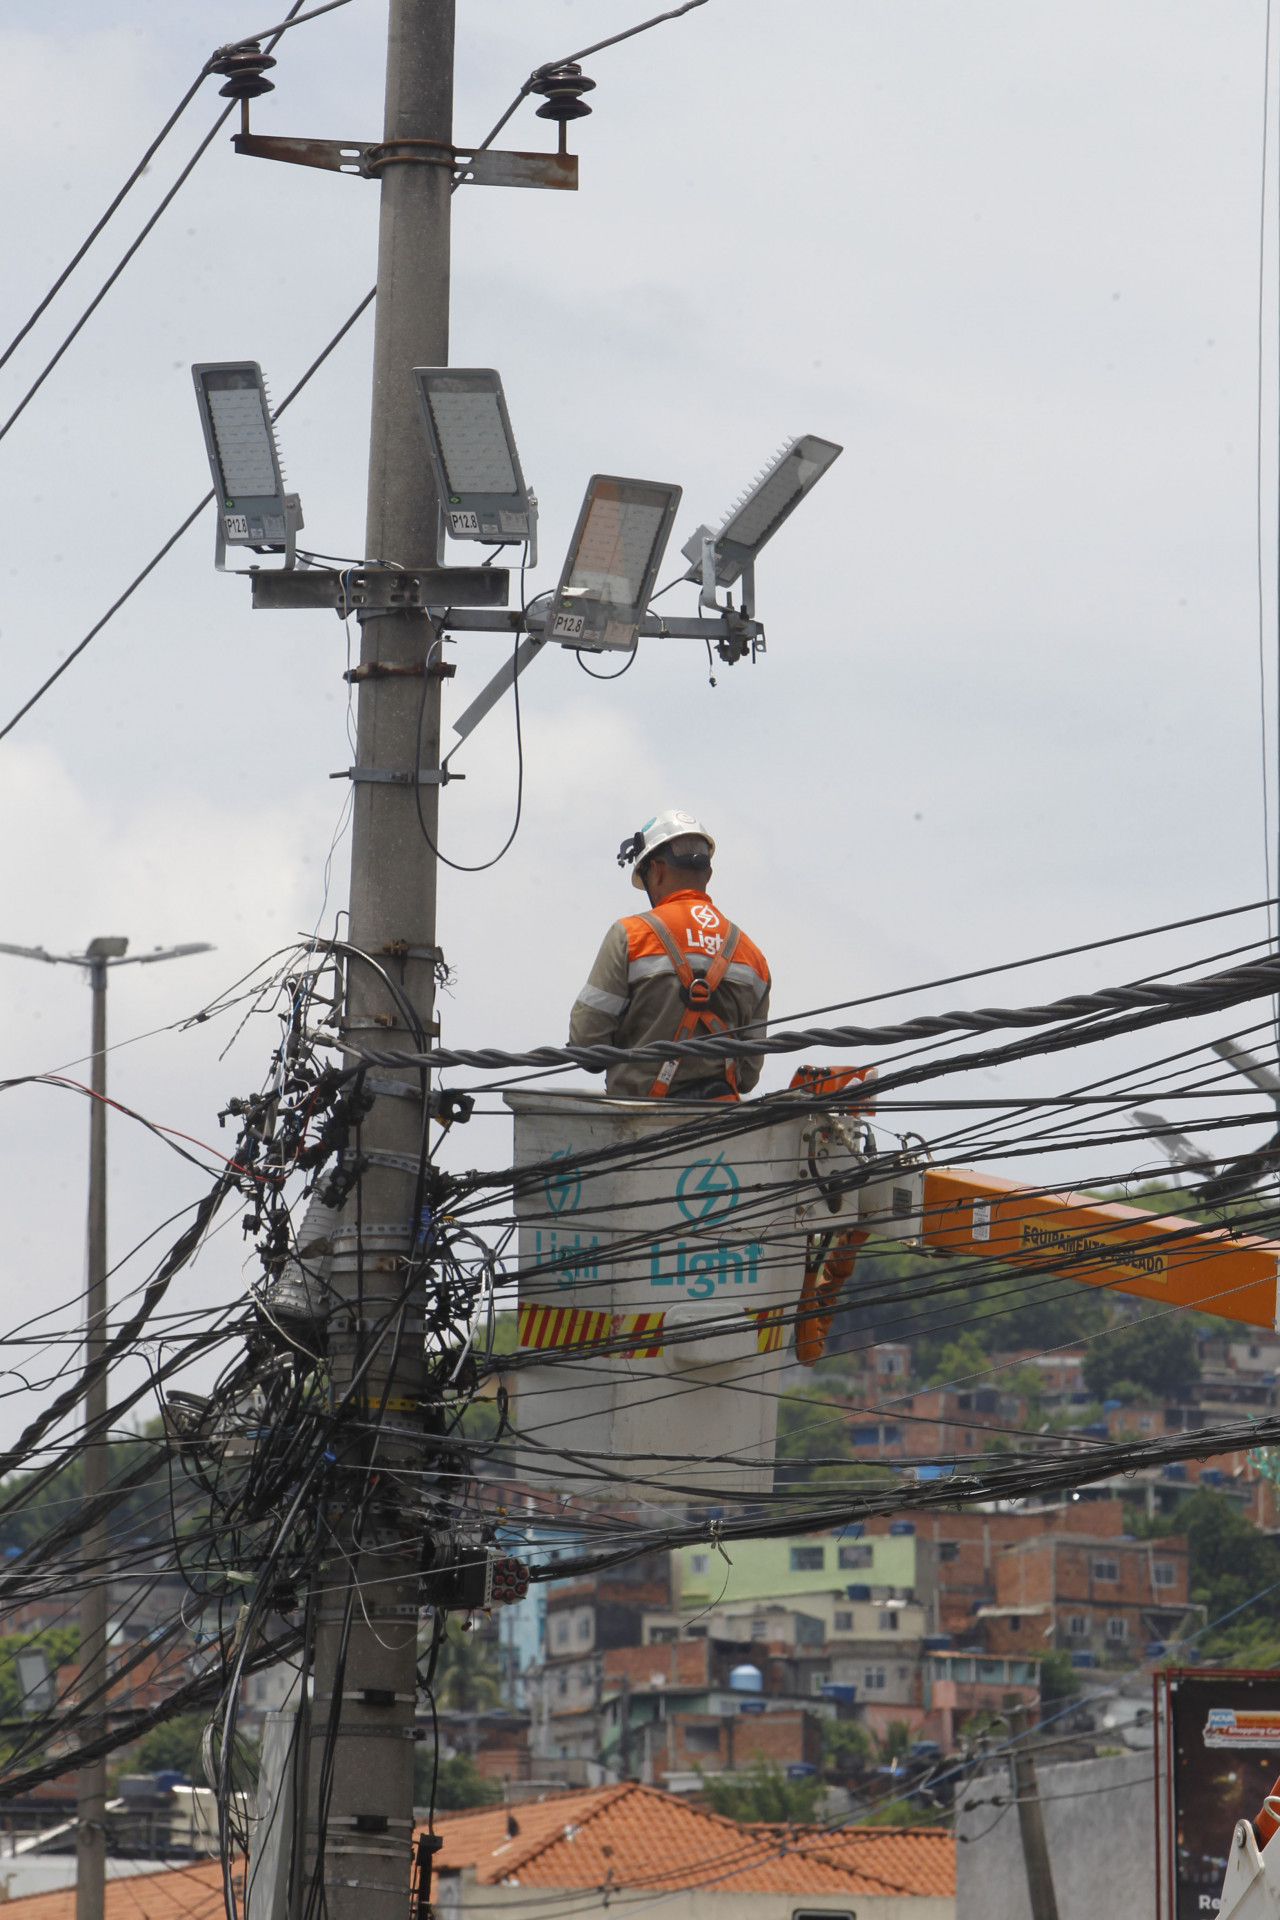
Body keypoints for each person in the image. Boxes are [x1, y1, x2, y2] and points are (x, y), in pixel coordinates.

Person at [568, 810, 771, 1100]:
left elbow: (587, 1045)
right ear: (708, 874)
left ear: (657, 870)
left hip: (638, 1127)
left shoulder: (630, 935)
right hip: (723, 1127)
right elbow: (748, 1074)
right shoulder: (752, 956)